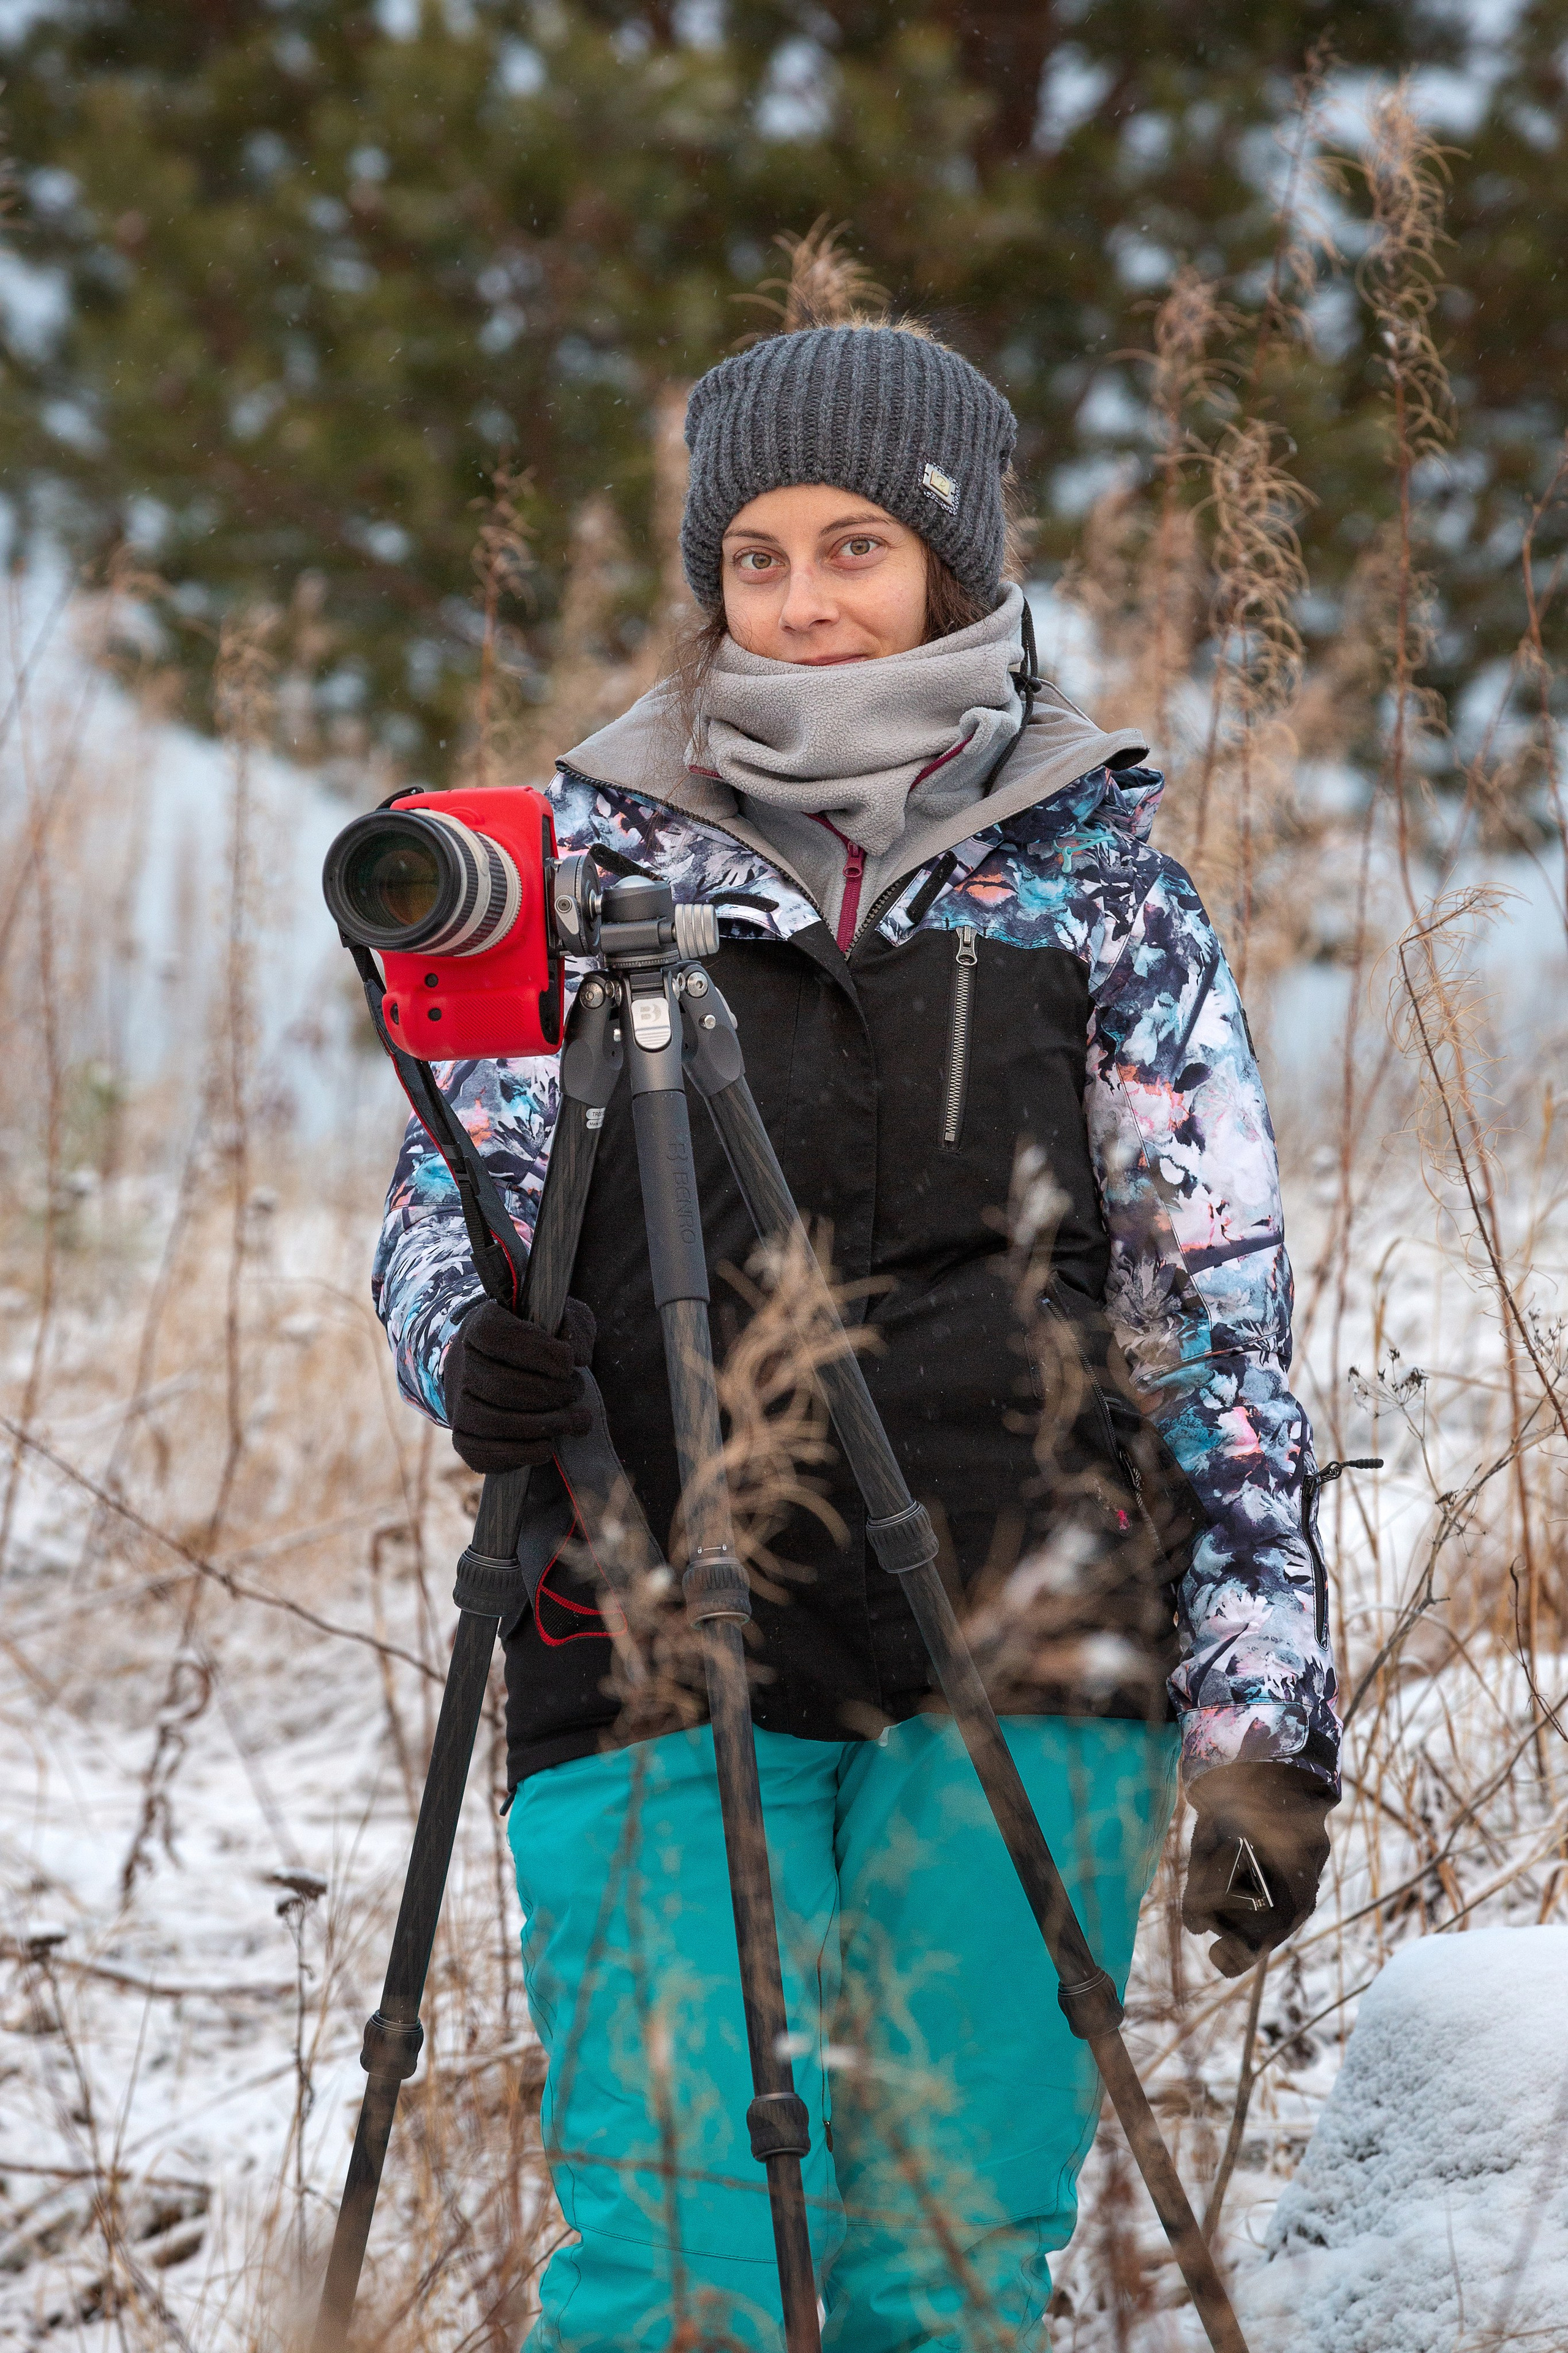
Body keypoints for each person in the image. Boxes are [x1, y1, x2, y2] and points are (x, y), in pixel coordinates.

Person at [372, 309, 1338, 2352]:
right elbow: (449, 1200)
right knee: (675, 2277)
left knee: (942, 2267)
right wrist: (470, 1337)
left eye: (854, 550)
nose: (802, 604)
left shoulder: (1105, 887)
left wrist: (1262, 1724)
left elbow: (1213, 1330)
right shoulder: (579, 855)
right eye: (756, 560)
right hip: (639, 1612)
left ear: (956, 562)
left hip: (1029, 1636)